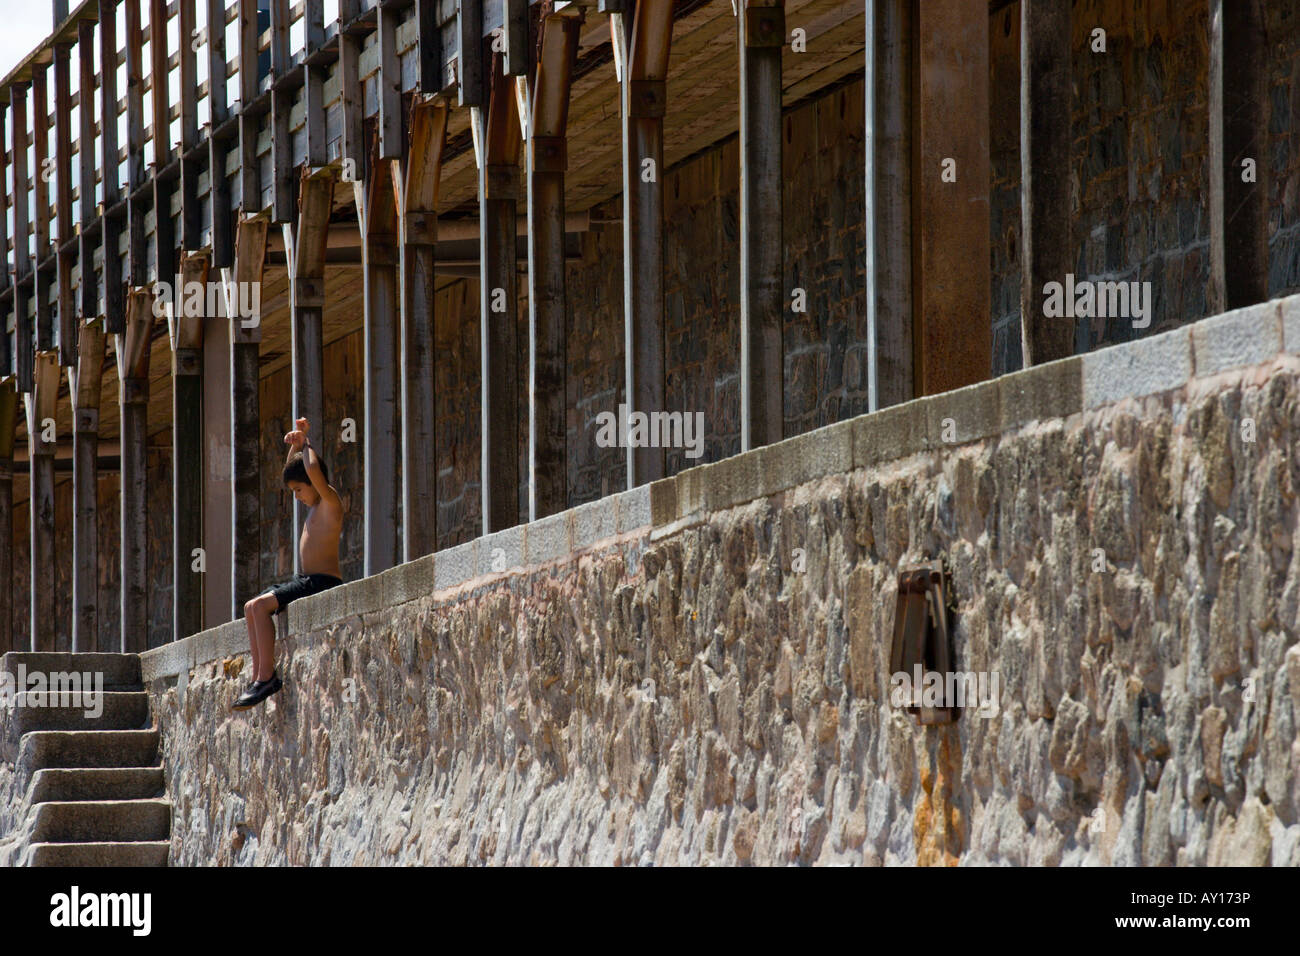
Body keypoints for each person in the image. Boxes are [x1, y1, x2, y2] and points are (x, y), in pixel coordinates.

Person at [232, 418, 344, 710]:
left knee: (259, 607)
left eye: (298, 490)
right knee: (250, 607)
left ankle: (267, 676)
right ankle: (258, 675)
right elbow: (297, 470)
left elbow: (312, 471)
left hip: (321, 581)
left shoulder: (329, 503)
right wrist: (294, 449)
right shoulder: (313, 507)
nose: (296, 496)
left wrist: (305, 442)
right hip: (303, 579)